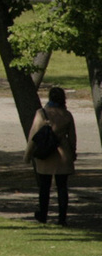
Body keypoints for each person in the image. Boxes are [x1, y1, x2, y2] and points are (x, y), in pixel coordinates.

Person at [26, 86, 77, 225]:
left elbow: (33, 135)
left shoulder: (42, 113)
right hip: (63, 153)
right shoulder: (67, 114)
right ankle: (62, 218)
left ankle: (43, 215)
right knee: (62, 187)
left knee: (44, 186)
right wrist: (73, 153)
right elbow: (72, 137)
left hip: (46, 152)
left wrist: (28, 154)